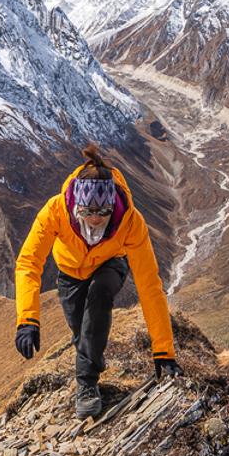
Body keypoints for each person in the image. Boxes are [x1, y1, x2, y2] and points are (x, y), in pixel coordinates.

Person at [13, 142, 183, 418]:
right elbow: (29, 263)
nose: (93, 220)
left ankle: (87, 385)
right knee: (82, 331)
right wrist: (27, 319)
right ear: (76, 205)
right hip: (69, 273)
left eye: (101, 214)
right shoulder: (55, 211)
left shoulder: (130, 221)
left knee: (99, 295)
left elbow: (149, 285)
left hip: (109, 265)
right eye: (87, 213)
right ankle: (91, 364)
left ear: (111, 207)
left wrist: (163, 351)